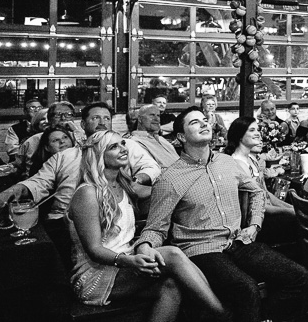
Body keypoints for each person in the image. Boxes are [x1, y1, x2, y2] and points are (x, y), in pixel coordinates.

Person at [136, 107, 308, 322]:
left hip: (238, 242)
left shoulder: (227, 162)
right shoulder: (170, 178)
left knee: (299, 277)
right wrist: (144, 245)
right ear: (181, 137)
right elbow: (155, 227)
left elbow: (257, 192)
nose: (203, 124)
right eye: (194, 123)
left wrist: (254, 225)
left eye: (204, 120)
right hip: (202, 250)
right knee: (246, 290)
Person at [66, 130, 227, 320]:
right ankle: (224, 316)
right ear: (98, 155)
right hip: (96, 275)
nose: (123, 149)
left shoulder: (123, 185)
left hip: (124, 263)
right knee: (173, 254)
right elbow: (94, 249)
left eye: (123, 144)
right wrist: (130, 261)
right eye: (113, 147)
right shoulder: (87, 193)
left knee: (171, 286)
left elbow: (161, 196)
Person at [0, 102, 160, 220]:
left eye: (106, 118)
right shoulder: (67, 155)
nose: (103, 122)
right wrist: (14, 190)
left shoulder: (127, 146)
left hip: (113, 218)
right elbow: (38, 182)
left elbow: (151, 168)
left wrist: (133, 181)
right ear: (83, 124)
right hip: (64, 220)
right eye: (96, 118)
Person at [226, 116, 297, 247]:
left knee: (300, 216)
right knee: (298, 222)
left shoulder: (252, 160)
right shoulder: (237, 163)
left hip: (267, 213)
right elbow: (257, 204)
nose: (257, 133)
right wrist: (288, 211)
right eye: (252, 130)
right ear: (240, 136)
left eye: (257, 129)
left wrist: (292, 208)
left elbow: (266, 194)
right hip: (253, 220)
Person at [16, 101, 85, 173]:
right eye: (58, 115)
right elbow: (20, 166)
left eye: (68, 114)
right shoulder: (34, 140)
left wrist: (76, 131)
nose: (63, 118)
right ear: (49, 119)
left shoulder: (78, 137)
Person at [128, 104, 179, 170]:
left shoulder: (162, 139)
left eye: (158, 115)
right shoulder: (135, 142)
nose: (157, 119)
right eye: (152, 115)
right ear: (140, 119)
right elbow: (152, 170)